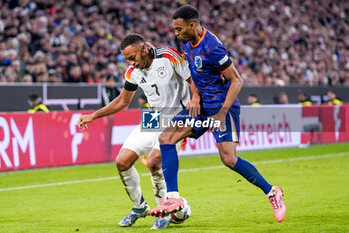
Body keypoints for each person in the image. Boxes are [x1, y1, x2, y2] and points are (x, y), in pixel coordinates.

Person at [149, 5, 286, 223]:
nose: (176, 33)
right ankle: (173, 198)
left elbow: (237, 80)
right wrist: (194, 95)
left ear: (192, 25)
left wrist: (221, 114)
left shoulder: (213, 48)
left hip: (223, 107)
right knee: (166, 138)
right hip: (201, 106)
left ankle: (272, 192)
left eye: (179, 29)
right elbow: (193, 74)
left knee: (229, 159)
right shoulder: (186, 43)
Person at [77, 33, 200, 229]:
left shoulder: (168, 56)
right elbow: (123, 101)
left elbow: (193, 79)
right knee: (121, 162)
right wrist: (93, 116)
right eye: (127, 60)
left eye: (133, 58)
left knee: (154, 161)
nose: (131, 63)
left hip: (177, 117)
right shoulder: (132, 72)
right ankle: (139, 207)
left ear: (143, 49)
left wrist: (195, 99)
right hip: (153, 117)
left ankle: (164, 210)